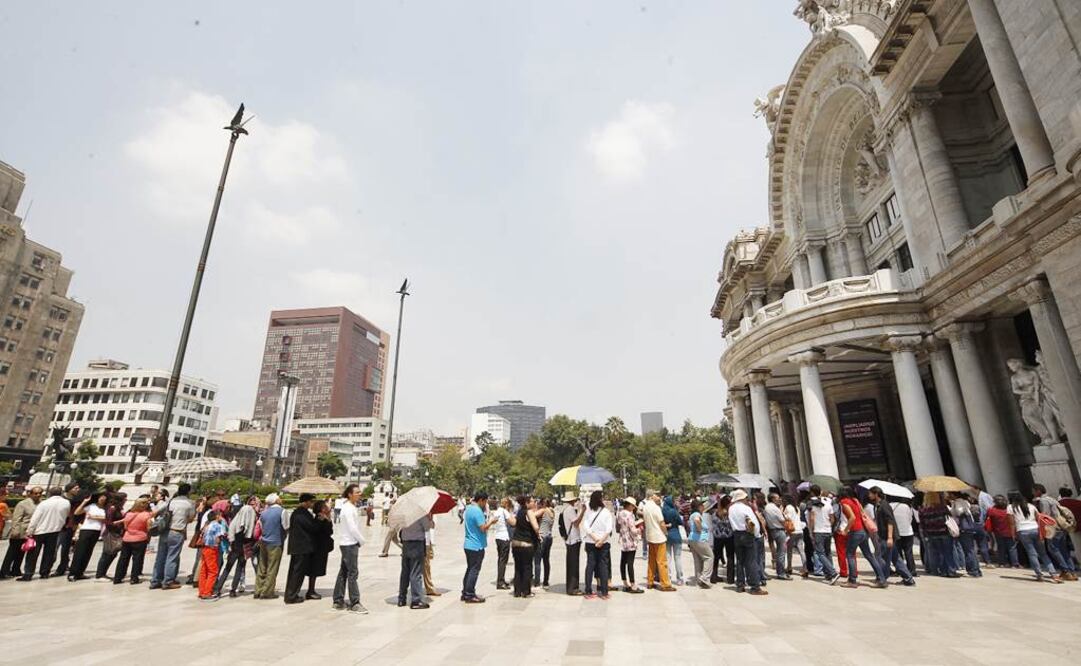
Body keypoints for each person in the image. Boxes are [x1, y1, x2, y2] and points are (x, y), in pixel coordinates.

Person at [150, 482, 195, 590]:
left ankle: (156, 580)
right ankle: (168, 581)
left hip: (165, 530)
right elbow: (191, 518)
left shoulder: (171, 501)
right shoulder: (190, 503)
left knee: (160, 556)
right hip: (177, 531)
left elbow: (156, 512)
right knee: (172, 557)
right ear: (188, 492)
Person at [1008, 491, 1061, 583]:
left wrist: (1013, 534)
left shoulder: (1010, 507)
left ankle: (1039, 574)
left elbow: (1012, 523)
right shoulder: (1031, 506)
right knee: (1043, 553)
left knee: (1032, 553)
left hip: (1022, 530)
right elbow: (1038, 519)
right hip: (1035, 529)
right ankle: (1054, 574)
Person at [866, 487, 914, 586]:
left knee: (882, 558)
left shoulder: (884, 505)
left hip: (887, 536)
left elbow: (890, 521)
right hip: (884, 535)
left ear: (876, 494)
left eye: (870, 494)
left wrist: (890, 537)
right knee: (896, 558)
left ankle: (882, 579)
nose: (869, 496)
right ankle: (908, 578)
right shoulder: (879, 505)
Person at [215, 495, 258, 598]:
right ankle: (233, 590)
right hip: (244, 550)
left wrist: (231, 543)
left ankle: (218, 589)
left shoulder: (236, 521)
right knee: (239, 569)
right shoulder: (251, 525)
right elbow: (252, 537)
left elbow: (231, 534)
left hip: (234, 549)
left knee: (227, 568)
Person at [333, 484, 368, 613]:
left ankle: (338, 600)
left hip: (347, 543)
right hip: (349, 544)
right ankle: (355, 602)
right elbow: (353, 528)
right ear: (349, 494)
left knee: (343, 572)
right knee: (353, 573)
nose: (360, 494)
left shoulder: (350, 507)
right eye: (357, 492)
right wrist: (362, 540)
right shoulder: (348, 508)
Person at [1033, 484, 1078, 580]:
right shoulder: (1052, 499)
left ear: (1038, 491)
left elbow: (1045, 516)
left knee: (1053, 549)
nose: (1033, 493)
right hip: (1061, 527)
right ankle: (1072, 572)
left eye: (1034, 491)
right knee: (1064, 550)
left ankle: (1065, 570)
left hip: (1053, 528)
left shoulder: (1043, 501)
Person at [729, 490, 767, 595]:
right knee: (751, 561)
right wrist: (756, 534)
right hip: (747, 535)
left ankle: (740, 584)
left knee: (740, 561)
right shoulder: (746, 508)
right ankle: (754, 586)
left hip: (737, 534)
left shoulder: (731, 508)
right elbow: (754, 523)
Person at [462, 491, 496, 603]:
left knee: (470, 569)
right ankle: (470, 594)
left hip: (468, 544)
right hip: (476, 545)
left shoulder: (468, 509)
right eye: (485, 501)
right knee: (474, 570)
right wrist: (491, 522)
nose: (485, 504)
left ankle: (465, 592)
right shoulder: (477, 511)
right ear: (481, 500)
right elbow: (483, 527)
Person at [284, 493, 318, 604]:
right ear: (306, 502)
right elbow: (312, 527)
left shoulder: (297, 513)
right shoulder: (301, 514)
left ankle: (291, 594)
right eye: (311, 502)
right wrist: (319, 519)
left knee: (295, 571)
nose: (312, 504)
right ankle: (292, 596)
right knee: (297, 572)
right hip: (301, 548)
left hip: (298, 547)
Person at [1, 486, 41, 579]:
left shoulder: (40, 504)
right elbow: (16, 518)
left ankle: (16, 570)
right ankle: (4, 571)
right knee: (12, 552)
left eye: (40, 493)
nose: (38, 495)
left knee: (22, 552)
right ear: (30, 494)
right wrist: (15, 531)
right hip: (19, 531)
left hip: (29, 533)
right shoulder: (22, 504)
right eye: (35, 493)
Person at [67, 492, 107, 581]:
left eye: (104, 497)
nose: (102, 499)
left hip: (97, 531)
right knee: (80, 552)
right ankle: (72, 573)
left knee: (88, 552)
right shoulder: (91, 506)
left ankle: (80, 572)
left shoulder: (105, 508)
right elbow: (77, 512)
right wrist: (84, 502)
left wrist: (94, 517)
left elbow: (106, 518)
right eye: (101, 497)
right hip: (86, 529)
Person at [254, 493, 287, 599]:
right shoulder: (282, 511)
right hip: (276, 543)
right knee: (272, 568)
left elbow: (262, 526)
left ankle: (258, 590)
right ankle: (267, 592)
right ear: (276, 501)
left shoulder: (264, 513)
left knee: (262, 567)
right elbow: (286, 526)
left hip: (264, 542)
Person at [918, 492, 958, 578]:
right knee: (948, 552)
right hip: (944, 532)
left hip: (932, 534)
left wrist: (925, 534)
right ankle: (951, 570)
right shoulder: (942, 508)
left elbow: (922, 524)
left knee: (939, 553)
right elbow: (949, 517)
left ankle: (943, 570)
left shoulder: (922, 510)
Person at [113, 498, 153, 584]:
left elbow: (125, 527)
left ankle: (118, 577)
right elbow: (149, 528)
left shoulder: (129, 514)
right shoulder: (146, 515)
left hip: (127, 538)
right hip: (140, 538)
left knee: (123, 559)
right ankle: (134, 578)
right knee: (137, 559)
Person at [642, 490, 675, 591]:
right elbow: (661, 523)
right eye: (657, 495)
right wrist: (666, 532)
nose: (659, 497)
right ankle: (665, 584)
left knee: (651, 561)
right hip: (659, 537)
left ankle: (650, 581)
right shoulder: (656, 508)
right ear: (652, 496)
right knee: (662, 562)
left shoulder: (645, 507)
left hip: (650, 537)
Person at [582, 490, 613, 599]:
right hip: (604, 543)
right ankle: (604, 592)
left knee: (590, 566)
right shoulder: (606, 512)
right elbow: (609, 529)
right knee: (603, 566)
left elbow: (586, 526)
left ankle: (588, 591)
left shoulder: (589, 512)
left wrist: (595, 539)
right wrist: (601, 540)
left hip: (591, 542)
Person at [397, 513, 432, 609]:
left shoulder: (403, 513)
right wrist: (429, 518)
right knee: (416, 572)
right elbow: (427, 527)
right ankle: (416, 600)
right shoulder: (420, 514)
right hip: (416, 544)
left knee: (405, 572)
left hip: (406, 544)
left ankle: (401, 598)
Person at [806, 485, 840, 585]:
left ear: (811, 492)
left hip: (818, 531)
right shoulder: (828, 503)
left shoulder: (811, 504)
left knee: (820, 553)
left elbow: (812, 519)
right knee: (828, 552)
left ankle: (832, 572)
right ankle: (829, 574)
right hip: (827, 530)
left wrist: (811, 531)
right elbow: (832, 519)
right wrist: (828, 525)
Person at [510, 495, 540, 598]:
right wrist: (538, 534)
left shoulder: (519, 512)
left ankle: (517, 591)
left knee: (518, 567)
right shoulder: (529, 512)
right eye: (532, 501)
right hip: (526, 543)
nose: (534, 503)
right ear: (527, 503)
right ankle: (526, 591)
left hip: (516, 542)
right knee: (527, 567)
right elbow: (535, 527)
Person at [93, 492, 126, 581]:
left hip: (116, 533)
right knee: (107, 553)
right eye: (124, 499)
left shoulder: (119, 508)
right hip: (110, 533)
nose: (126, 500)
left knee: (112, 553)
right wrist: (120, 522)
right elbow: (108, 522)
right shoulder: (112, 508)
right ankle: (100, 574)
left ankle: (103, 572)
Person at [53, 482, 83, 577]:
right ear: (69, 489)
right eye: (76, 488)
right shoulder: (62, 499)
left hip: (70, 527)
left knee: (66, 550)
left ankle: (62, 567)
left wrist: (76, 523)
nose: (78, 490)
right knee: (54, 548)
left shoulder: (77, 500)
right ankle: (47, 566)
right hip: (59, 526)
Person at [949, 492, 983, 578]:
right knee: (971, 549)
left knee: (968, 550)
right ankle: (976, 569)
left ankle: (973, 570)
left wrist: (953, 508)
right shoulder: (966, 502)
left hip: (964, 529)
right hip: (969, 528)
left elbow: (958, 512)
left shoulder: (958, 503)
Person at [616, 497, 644, 593]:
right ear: (630, 505)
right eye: (633, 506)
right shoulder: (630, 515)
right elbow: (633, 530)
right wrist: (639, 529)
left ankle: (625, 582)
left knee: (623, 562)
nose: (633, 508)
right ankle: (633, 584)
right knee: (630, 563)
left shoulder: (620, 513)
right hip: (630, 541)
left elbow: (620, 524)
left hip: (623, 539)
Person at [559, 491, 585, 595]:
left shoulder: (566, 509)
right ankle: (573, 588)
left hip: (569, 539)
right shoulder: (570, 510)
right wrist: (583, 511)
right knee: (574, 565)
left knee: (571, 564)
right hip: (573, 540)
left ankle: (571, 587)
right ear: (573, 500)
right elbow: (576, 523)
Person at [198, 510, 227, 600]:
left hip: (204, 548)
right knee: (213, 571)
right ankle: (207, 592)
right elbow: (219, 538)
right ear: (217, 516)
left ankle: (202, 591)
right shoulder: (217, 526)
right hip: (212, 549)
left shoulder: (207, 525)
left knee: (204, 570)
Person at [686, 499, 714, 588]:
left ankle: (699, 579)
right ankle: (705, 577)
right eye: (702, 506)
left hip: (692, 539)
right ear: (698, 507)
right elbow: (697, 521)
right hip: (699, 539)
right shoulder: (697, 515)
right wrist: (700, 529)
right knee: (709, 557)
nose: (703, 507)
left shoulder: (692, 515)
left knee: (698, 560)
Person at [985, 494, 1019, 567]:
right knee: (1012, 548)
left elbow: (987, 518)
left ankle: (1002, 563)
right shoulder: (1009, 509)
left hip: (998, 531)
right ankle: (1014, 564)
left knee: (1001, 548)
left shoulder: (992, 510)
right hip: (1010, 531)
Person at [763, 492, 789, 581]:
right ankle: (781, 573)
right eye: (777, 498)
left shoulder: (767, 507)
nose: (779, 499)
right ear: (773, 499)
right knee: (781, 552)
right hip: (779, 530)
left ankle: (780, 571)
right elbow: (782, 520)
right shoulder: (775, 508)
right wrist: (787, 527)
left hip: (772, 530)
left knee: (779, 552)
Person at [889, 496, 918, 577]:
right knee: (908, 552)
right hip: (908, 531)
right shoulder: (906, 506)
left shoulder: (889, 506)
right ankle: (912, 570)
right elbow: (910, 518)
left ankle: (901, 570)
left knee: (898, 553)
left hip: (897, 532)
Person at [710, 496, 735, 584]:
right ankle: (730, 578)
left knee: (715, 557)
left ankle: (713, 576)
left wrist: (719, 501)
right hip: (729, 537)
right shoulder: (730, 514)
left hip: (718, 537)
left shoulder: (715, 513)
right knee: (730, 557)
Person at [661, 495, 685, 585]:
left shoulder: (663, 511)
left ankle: (668, 577)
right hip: (676, 536)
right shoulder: (674, 512)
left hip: (667, 536)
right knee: (677, 558)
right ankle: (680, 578)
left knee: (668, 558)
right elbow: (680, 522)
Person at [782, 495, 807, 578]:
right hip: (800, 529)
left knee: (789, 550)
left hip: (792, 530)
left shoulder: (788, 507)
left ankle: (789, 567)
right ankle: (805, 568)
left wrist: (782, 513)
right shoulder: (796, 507)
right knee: (801, 550)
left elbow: (788, 518)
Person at [532, 498, 555, 588]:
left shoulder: (543, 510)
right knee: (546, 560)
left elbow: (531, 515)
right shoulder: (552, 511)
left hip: (542, 537)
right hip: (549, 536)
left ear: (542, 504)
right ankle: (546, 581)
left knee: (537, 560)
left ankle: (537, 582)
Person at [492, 498, 513, 590]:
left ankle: (501, 579)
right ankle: (500, 582)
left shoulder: (496, 512)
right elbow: (512, 522)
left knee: (500, 559)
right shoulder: (505, 512)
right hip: (504, 537)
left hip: (498, 537)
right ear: (507, 505)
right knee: (503, 560)